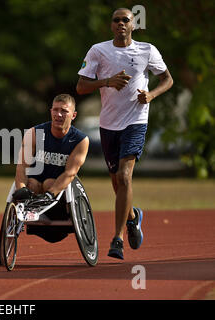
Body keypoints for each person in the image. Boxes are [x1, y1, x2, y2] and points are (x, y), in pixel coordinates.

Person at [76, 8, 174, 259]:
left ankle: (117, 239)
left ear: (134, 25)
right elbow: (81, 86)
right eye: (116, 20)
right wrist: (107, 81)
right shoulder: (98, 50)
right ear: (111, 25)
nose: (120, 23)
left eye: (125, 20)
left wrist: (151, 95)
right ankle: (133, 217)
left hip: (136, 121)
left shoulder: (147, 50)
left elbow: (167, 79)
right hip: (109, 123)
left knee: (125, 175)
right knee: (117, 183)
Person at [12, 93, 89, 202]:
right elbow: (22, 167)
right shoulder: (34, 133)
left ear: (73, 115)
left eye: (64, 111)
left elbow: (70, 173)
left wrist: (50, 194)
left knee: (49, 183)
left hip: (58, 189)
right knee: (31, 184)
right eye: (55, 110)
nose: (59, 114)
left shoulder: (80, 140)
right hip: (33, 186)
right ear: (51, 111)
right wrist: (21, 189)